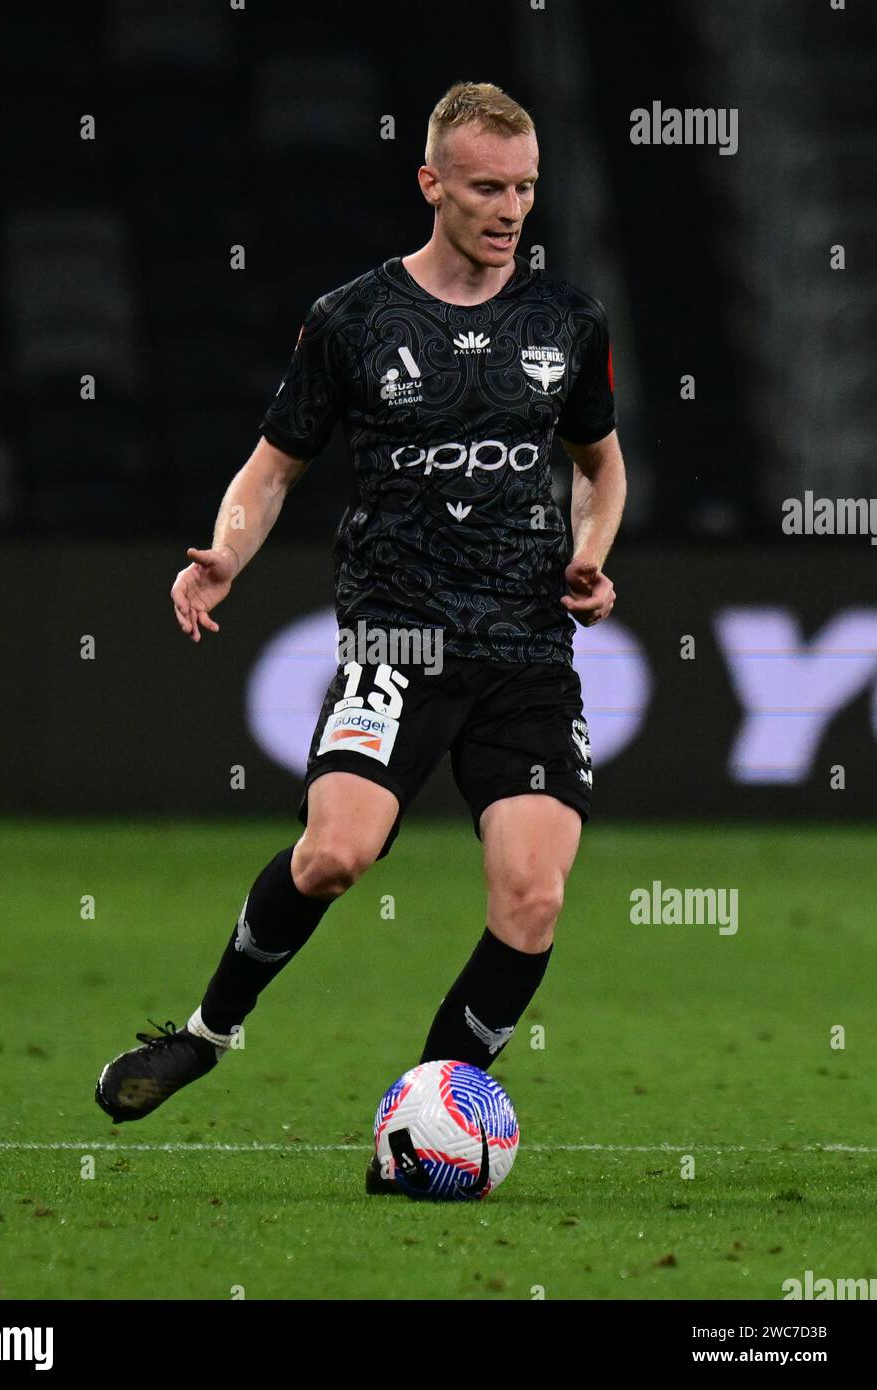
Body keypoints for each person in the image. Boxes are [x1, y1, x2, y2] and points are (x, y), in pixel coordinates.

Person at [95, 81, 626, 1193]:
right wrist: (225, 553)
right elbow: (274, 465)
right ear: (431, 182)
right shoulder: (354, 320)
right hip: (398, 644)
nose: (510, 208)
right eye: (486, 187)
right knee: (334, 854)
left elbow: (599, 461)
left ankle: (431, 1115)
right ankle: (206, 1031)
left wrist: (593, 548)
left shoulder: (567, 321)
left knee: (533, 894)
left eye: (525, 188)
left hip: (527, 651)